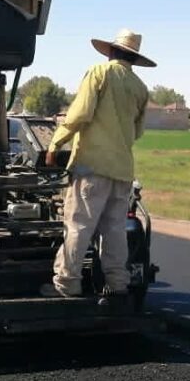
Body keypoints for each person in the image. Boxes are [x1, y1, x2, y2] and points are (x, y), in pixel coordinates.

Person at [42, 29, 154, 300]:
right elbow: (137, 132)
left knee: (79, 225)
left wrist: (56, 143)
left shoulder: (99, 73)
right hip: (123, 170)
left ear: (112, 51)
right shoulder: (140, 89)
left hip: (91, 167)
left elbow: (80, 115)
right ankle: (117, 286)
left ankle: (67, 284)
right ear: (133, 57)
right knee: (115, 230)